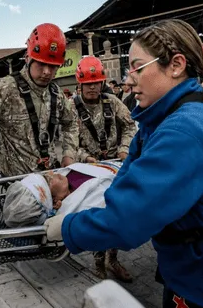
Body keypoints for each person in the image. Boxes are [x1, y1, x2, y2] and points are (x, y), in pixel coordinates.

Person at [44, 19, 203, 307]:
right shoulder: (171, 118)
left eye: (137, 67)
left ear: (175, 65)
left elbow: (127, 223)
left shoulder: (183, 132)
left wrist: (68, 228)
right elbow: (127, 181)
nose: (128, 80)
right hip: (196, 273)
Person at [0, 23, 79, 194]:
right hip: (18, 188)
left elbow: (72, 123)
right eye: (41, 64)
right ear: (28, 58)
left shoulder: (56, 93)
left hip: (52, 184)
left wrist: (69, 154)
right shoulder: (4, 89)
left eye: (53, 66)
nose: (47, 72)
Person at [72, 56, 136, 282]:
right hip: (88, 170)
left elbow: (130, 127)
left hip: (113, 166)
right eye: (88, 83)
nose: (92, 87)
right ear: (80, 83)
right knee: (95, 213)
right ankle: (98, 263)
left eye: (96, 82)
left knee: (117, 213)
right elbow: (64, 142)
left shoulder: (113, 102)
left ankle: (113, 259)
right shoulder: (71, 109)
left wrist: (124, 150)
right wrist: (85, 157)